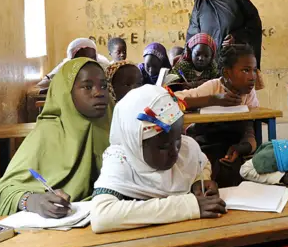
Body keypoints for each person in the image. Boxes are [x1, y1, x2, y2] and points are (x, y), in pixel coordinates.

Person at [90, 85, 226, 233]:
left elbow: (202, 162)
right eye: (163, 147)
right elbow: (101, 216)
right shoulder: (121, 159)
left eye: (178, 140)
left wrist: (200, 180)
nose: (175, 152)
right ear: (136, 144)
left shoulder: (186, 148)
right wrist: (189, 206)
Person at [0, 58, 112, 217]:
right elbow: (4, 192)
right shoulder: (48, 133)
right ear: (66, 92)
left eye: (103, 86)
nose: (99, 93)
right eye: (87, 87)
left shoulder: (113, 126)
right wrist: (33, 200)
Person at [176, 44, 259, 185]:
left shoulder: (249, 94)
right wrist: (213, 99)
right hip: (204, 144)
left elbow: (249, 132)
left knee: (232, 170)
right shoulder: (213, 87)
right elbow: (173, 100)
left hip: (231, 147)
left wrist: (241, 148)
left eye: (254, 70)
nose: (252, 77)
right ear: (227, 73)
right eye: (245, 70)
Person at [187, 0, 262, 68]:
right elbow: (193, 31)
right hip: (210, 63)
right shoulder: (200, 3)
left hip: (234, 60)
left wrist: (236, 37)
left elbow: (254, 24)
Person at [37, 38, 110, 88]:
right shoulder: (66, 65)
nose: (86, 62)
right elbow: (43, 83)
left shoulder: (103, 64)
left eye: (91, 58)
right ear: (72, 58)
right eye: (81, 59)